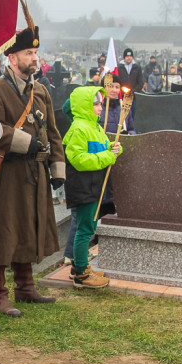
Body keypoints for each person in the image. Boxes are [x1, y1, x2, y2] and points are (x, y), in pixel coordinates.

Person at [0, 24, 65, 317]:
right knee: (4, 231)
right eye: (28, 53)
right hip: (8, 174)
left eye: (36, 52)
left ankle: (25, 286)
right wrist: (26, 142)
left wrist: (58, 169)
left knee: (29, 228)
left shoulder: (41, 90)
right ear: (11, 57)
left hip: (36, 173)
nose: (35, 58)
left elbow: (53, 132)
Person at [63, 87, 122, 288]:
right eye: (96, 104)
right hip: (83, 188)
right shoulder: (78, 129)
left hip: (94, 186)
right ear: (84, 105)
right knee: (85, 230)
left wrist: (115, 148)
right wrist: (107, 157)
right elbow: (79, 160)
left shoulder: (94, 127)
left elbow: (104, 147)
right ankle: (81, 273)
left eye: (100, 103)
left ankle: (79, 267)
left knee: (88, 227)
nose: (100, 107)